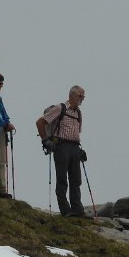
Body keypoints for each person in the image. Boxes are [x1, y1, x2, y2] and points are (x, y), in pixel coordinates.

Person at [36, 85, 87, 217]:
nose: (82, 99)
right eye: (80, 96)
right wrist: (45, 140)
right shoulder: (60, 108)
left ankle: (77, 210)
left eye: (83, 97)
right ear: (72, 96)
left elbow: (76, 133)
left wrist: (80, 151)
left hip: (75, 147)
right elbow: (40, 122)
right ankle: (66, 210)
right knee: (62, 179)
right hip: (61, 146)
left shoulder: (78, 113)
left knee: (76, 180)